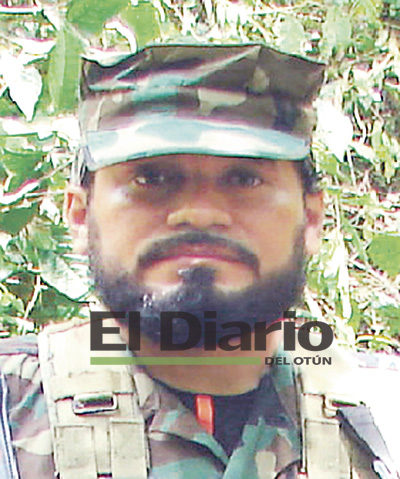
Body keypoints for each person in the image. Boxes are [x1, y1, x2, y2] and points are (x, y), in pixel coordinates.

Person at [0, 43, 397, 479]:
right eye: (152, 178)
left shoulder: (384, 417)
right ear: (80, 217)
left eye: (244, 179)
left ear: (311, 219)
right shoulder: (13, 406)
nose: (199, 214)